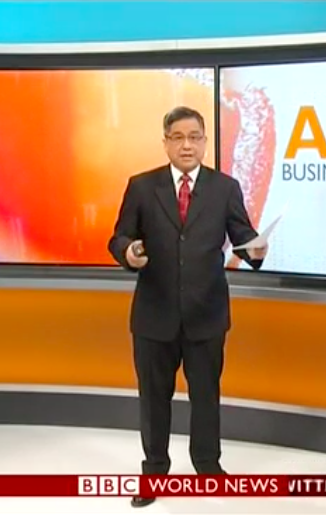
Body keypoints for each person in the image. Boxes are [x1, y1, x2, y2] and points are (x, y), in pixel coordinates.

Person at [107, 106, 267, 508]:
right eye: (177, 137)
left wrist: (256, 250)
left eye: (194, 137)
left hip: (206, 314)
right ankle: (154, 472)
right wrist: (129, 251)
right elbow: (119, 237)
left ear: (205, 142)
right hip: (154, 314)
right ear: (165, 143)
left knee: (206, 396)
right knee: (153, 399)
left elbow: (243, 237)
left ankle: (208, 468)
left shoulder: (225, 188)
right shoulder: (142, 187)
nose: (187, 145)